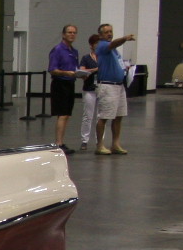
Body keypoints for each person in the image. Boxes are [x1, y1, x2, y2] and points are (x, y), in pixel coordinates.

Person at [91, 22, 137, 154]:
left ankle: (115, 144)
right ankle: (100, 145)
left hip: (119, 86)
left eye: (111, 31)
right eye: (106, 32)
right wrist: (124, 38)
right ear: (100, 35)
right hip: (107, 86)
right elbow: (113, 44)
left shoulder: (114, 52)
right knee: (104, 116)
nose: (109, 34)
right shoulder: (103, 46)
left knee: (119, 116)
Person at [46, 24, 80, 151]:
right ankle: (58, 143)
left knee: (67, 114)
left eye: (74, 32)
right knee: (62, 114)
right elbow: (52, 69)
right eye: (69, 32)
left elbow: (75, 68)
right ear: (63, 34)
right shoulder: (58, 50)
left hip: (70, 83)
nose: (72, 34)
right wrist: (66, 73)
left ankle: (61, 141)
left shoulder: (74, 51)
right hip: (60, 84)